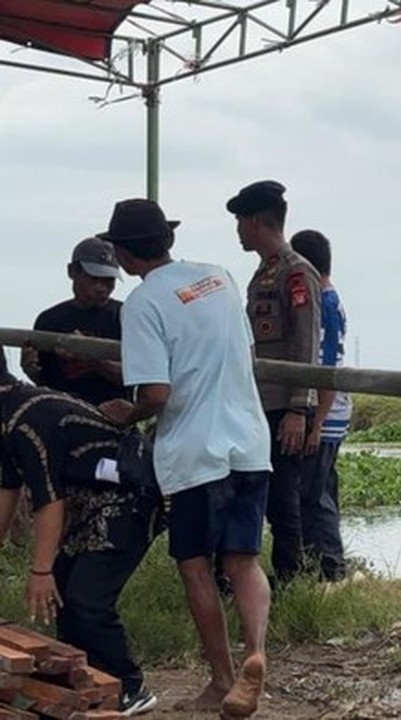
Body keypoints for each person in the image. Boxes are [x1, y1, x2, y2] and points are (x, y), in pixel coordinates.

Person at [96, 198, 273, 718]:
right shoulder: (218, 278)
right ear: (167, 240)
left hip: (196, 451)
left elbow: (155, 393)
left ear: (124, 256)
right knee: (244, 561)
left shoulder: (144, 304)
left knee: (195, 565)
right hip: (250, 441)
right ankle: (256, 655)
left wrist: (124, 415)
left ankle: (221, 680)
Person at [0, 370, 160, 716]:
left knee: (87, 599)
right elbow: (8, 489)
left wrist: (40, 569)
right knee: (65, 598)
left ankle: (130, 686)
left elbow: (49, 500)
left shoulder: (27, 419)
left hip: (131, 496)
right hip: (92, 501)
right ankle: (84, 685)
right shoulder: (8, 417)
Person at [227, 180, 321, 585]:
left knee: (284, 499)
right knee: (251, 488)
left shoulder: (296, 271)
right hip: (258, 403)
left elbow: (305, 341)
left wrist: (298, 409)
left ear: (253, 222)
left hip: (285, 406)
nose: (236, 230)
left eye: (238, 221)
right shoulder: (263, 272)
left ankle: (290, 581)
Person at [289, 229, 349, 582]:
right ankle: (327, 567)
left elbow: (326, 366)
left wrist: (318, 421)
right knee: (320, 492)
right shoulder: (331, 298)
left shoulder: (323, 302)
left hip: (325, 412)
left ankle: (328, 569)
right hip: (330, 410)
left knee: (314, 497)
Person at [20, 238, 127, 405]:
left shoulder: (126, 316)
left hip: (112, 419)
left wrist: (93, 360)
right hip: (59, 416)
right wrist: (31, 370)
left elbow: (139, 378)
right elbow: (46, 381)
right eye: (94, 278)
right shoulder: (49, 320)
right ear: (72, 271)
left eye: (108, 280)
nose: (101, 287)